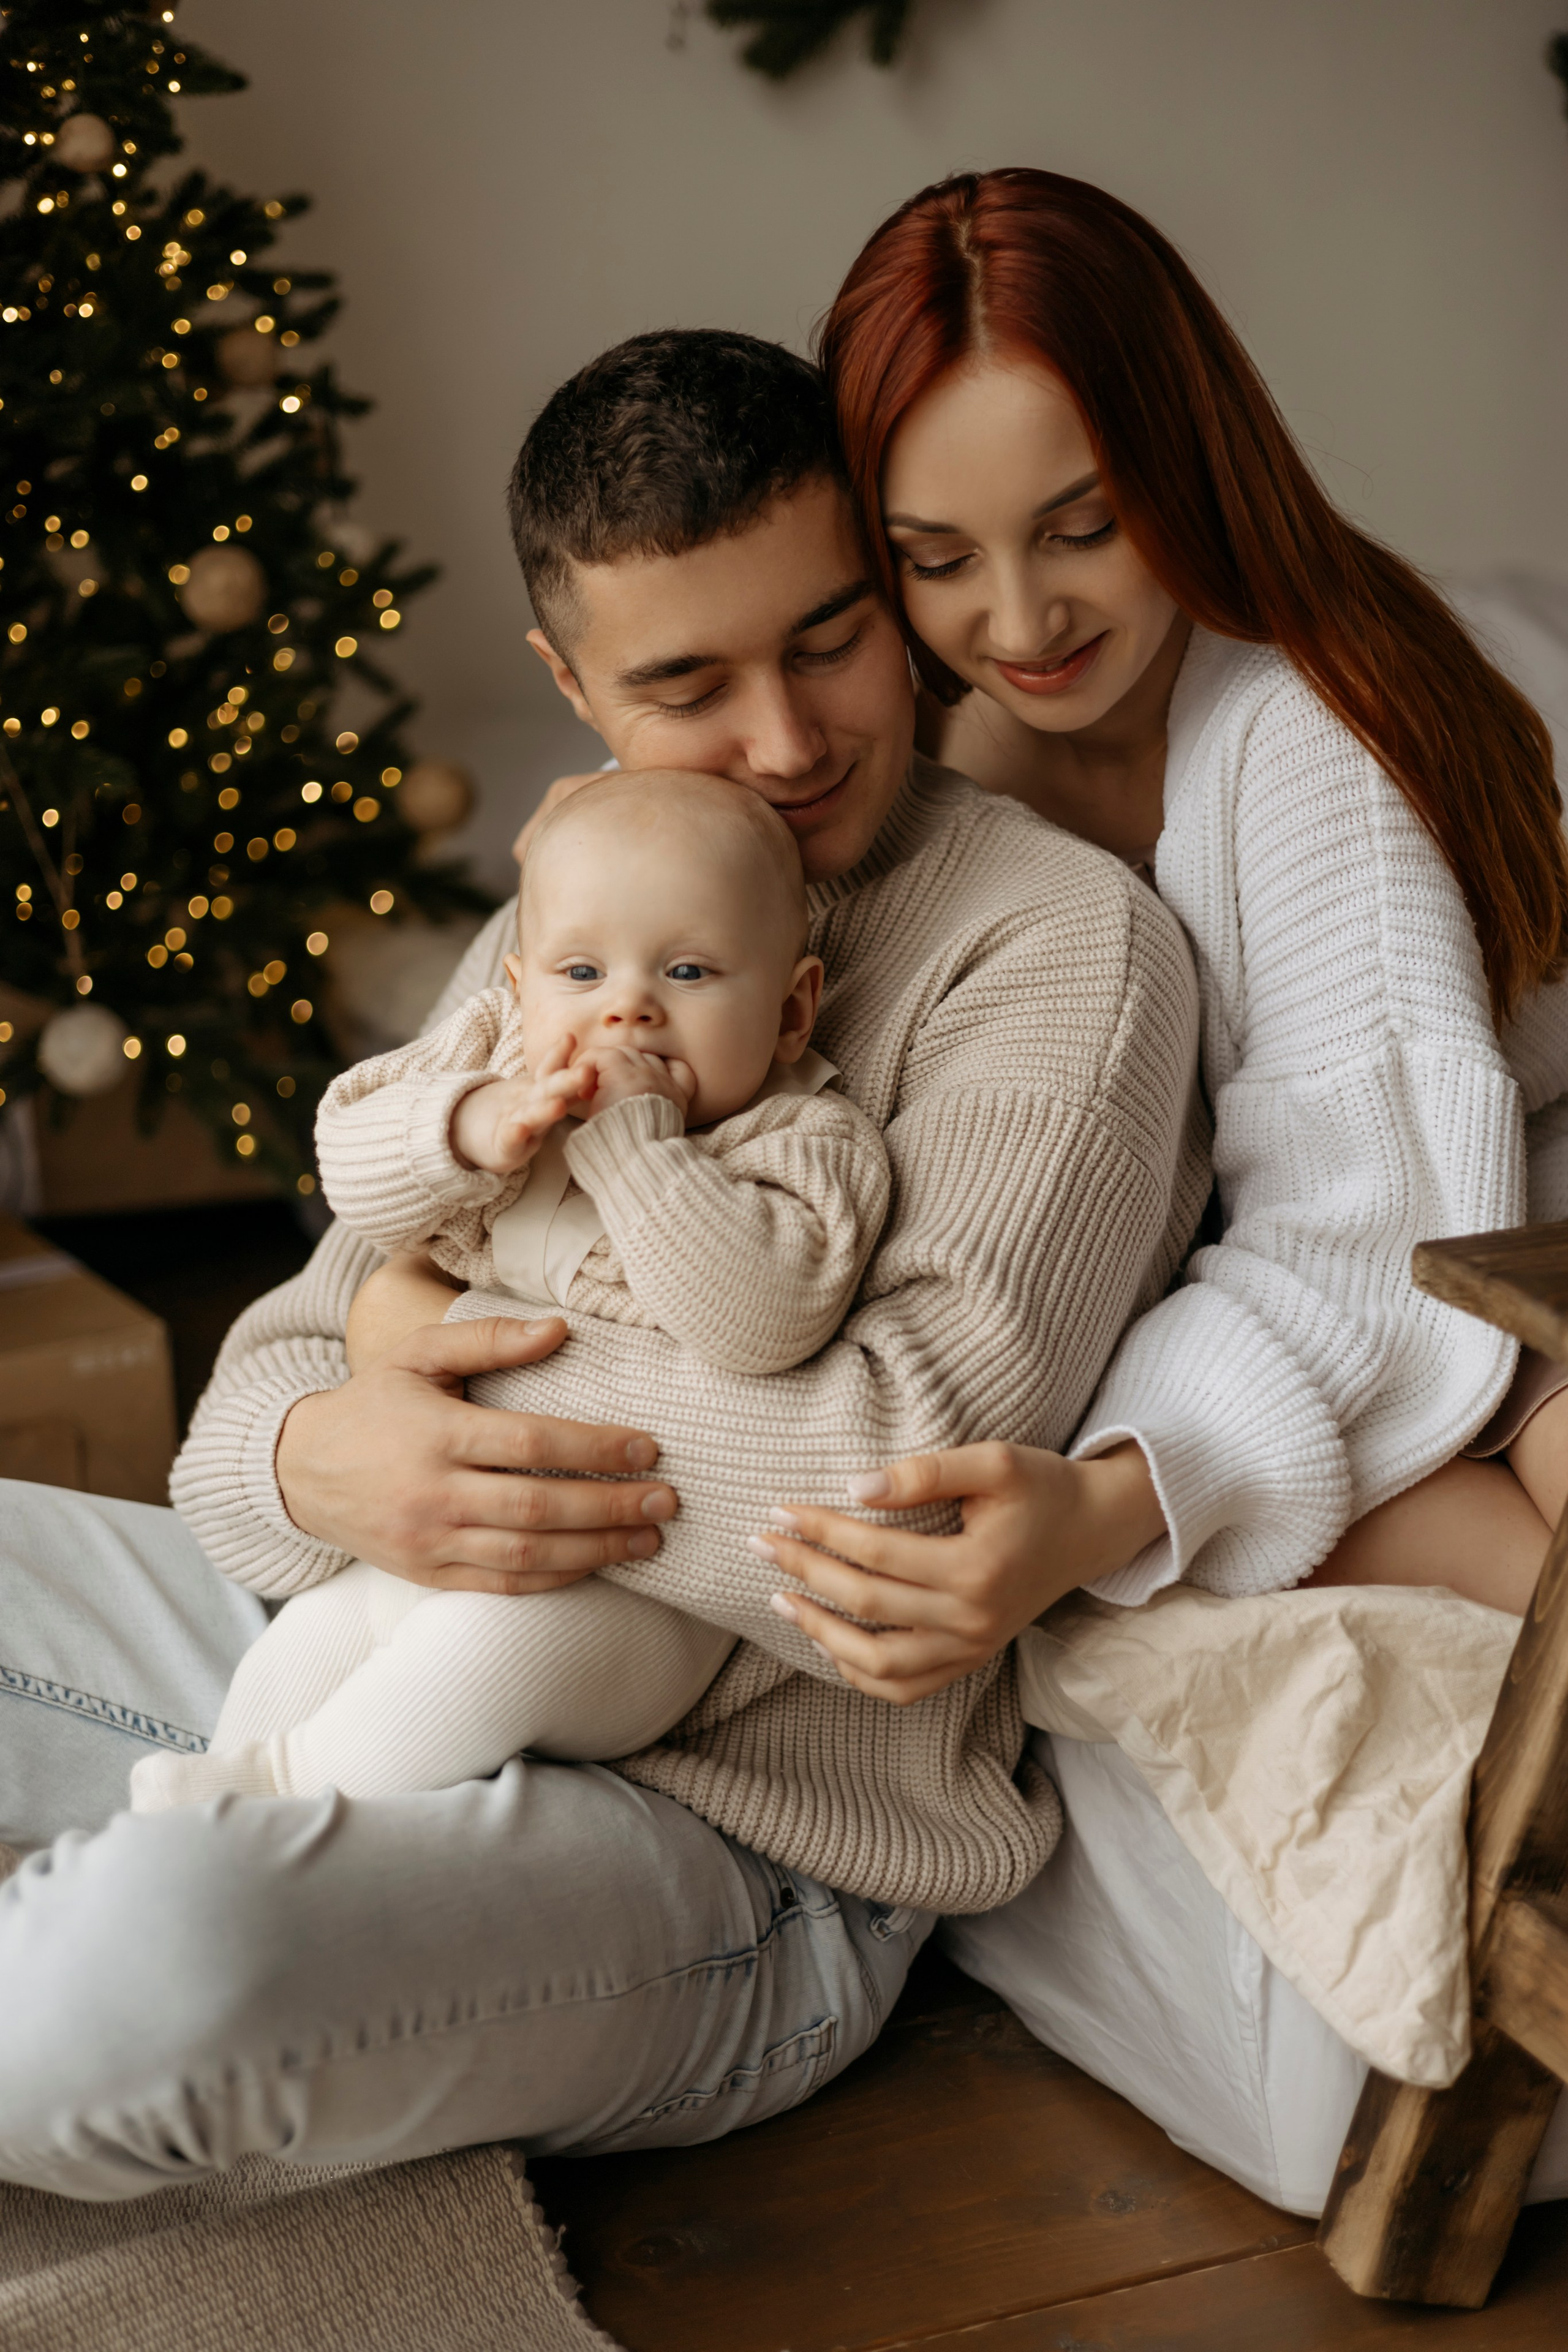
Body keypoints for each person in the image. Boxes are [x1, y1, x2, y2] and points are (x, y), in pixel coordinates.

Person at [0, 326, 1202, 2196]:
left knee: (137, 1974)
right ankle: (237, 1837)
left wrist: (437, 1342)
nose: (788, 743)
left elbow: (885, 1479)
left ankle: (185, 1890)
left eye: (827, 638)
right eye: (688, 681)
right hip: (375, 1630)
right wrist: (328, 1447)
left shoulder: (1055, 948)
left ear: (891, 597)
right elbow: (261, 1398)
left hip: (737, 1835)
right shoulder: (591, 905)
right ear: (573, 687)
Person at [737, 167, 1568, 2209]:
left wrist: (1113, 1496)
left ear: (1188, 463)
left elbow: (1373, 1235)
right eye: (936, 560)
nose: (1020, 623)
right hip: (1350, 1292)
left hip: (1501, 1229)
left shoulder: (1302, 735)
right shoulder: (928, 790)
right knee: (1358, 1514)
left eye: (1084, 527)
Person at [127, 769, 890, 1812]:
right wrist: (461, 1127)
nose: (626, 1006)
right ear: (520, 984)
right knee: (328, 1620)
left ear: (793, 1009)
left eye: (689, 970)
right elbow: (347, 1153)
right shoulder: (492, 1058)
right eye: (581, 970)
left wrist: (636, 1147)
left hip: (634, 1594)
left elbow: (763, 1318)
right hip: (441, 1513)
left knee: (486, 1651)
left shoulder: (800, 1142)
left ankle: (274, 1799)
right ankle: (221, 1780)